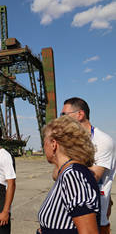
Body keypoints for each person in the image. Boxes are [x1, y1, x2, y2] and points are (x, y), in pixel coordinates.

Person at [60, 97, 115, 233]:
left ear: (80, 114)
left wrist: (66, 167)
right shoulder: (69, 141)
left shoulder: (102, 140)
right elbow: (57, 175)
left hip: (93, 218)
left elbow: (92, 178)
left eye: (64, 115)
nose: (61, 119)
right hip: (69, 216)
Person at [38, 115, 100, 233]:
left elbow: (88, 232)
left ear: (53, 144)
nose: (43, 146)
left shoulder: (73, 175)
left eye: (44, 141)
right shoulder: (67, 173)